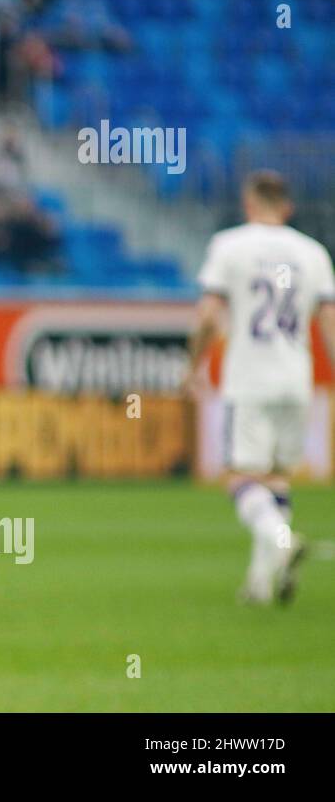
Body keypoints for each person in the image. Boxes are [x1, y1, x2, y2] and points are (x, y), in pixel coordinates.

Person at [186, 170, 335, 604]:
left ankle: (282, 541)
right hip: (296, 379)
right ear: (287, 207)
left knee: (238, 476)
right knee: (275, 479)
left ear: (249, 204)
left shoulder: (230, 246)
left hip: (248, 379)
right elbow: (329, 324)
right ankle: (259, 583)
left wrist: (192, 363)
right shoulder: (313, 253)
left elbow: (208, 316)